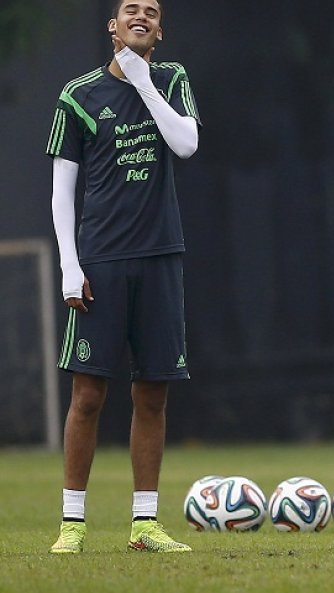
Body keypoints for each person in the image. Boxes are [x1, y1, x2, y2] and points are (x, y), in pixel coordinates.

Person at [45, 0, 201, 553]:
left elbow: (185, 144)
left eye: (152, 12)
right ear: (112, 25)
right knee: (88, 395)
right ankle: (72, 525)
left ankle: (145, 525)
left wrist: (141, 80)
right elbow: (63, 190)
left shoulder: (172, 79)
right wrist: (70, 263)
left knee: (152, 393)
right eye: (130, 9)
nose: (142, 16)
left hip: (160, 256)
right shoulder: (78, 95)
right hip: (102, 262)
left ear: (160, 30)